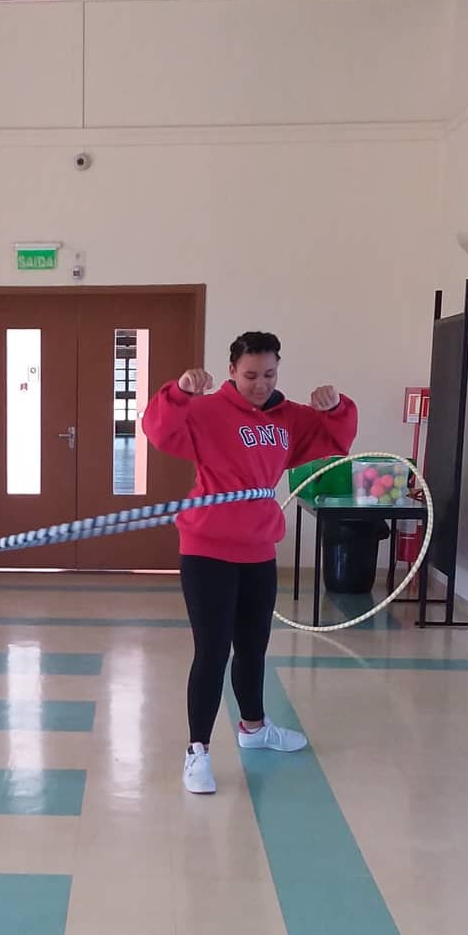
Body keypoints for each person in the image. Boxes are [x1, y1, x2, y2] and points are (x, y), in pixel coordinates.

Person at [142, 331, 356, 795]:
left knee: (254, 646)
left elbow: (335, 439)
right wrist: (179, 391)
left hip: (259, 548)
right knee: (212, 651)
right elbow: (159, 431)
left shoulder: (289, 417)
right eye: (251, 375)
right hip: (207, 548)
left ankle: (254, 728)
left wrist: (336, 406)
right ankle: (197, 751)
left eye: (269, 374)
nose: (261, 384)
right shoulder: (206, 411)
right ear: (232, 372)